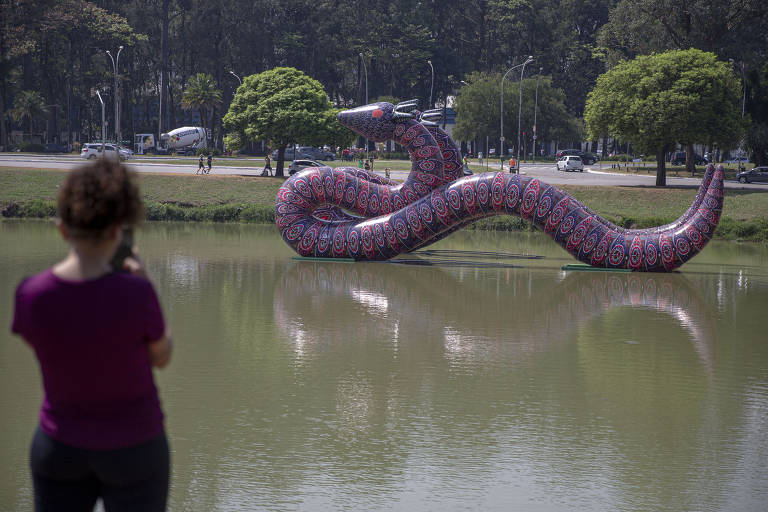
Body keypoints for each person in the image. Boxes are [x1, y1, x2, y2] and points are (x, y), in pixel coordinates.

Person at [11, 159, 173, 511]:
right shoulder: (136, 293)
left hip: (59, 446)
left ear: (62, 229)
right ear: (118, 232)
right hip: (136, 447)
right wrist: (143, 281)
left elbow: (39, 342)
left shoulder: (32, 295)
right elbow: (161, 356)